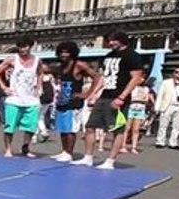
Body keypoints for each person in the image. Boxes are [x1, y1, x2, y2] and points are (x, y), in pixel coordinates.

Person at [72, 31, 143, 169]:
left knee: (117, 129)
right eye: (109, 40)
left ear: (121, 40)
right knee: (90, 126)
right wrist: (94, 93)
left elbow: (136, 78)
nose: (110, 43)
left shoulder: (132, 56)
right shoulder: (108, 56)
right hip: (104, 96)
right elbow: (103, 77)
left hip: (118, 97)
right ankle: (88, 157)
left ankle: (110, 160)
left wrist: (122, 97)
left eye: (113, 40)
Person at [48, 41, 103, 163]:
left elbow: (97, 77)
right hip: (62, 100)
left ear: (72, 53)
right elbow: (46, 69)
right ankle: (64, 151)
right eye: (62, 52)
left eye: (67, 52)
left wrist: (87, 94)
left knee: (71, 129)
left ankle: (69, 153)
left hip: (74, 102)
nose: (64, 54)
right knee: (62, 128)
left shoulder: (79, 65)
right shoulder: (60, 66)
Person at [0, 36, 43, 157]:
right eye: (20, 47)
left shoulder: (37, 60)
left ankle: (26, 147)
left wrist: (39, 88)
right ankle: (8, 149)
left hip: (31, 99)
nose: (23, 49)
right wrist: (4, 87)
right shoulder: (12, 59)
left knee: (31, 126)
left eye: (25, 46)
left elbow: (40, 73)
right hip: (14, 99)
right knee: (10, 126)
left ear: (30, 47)